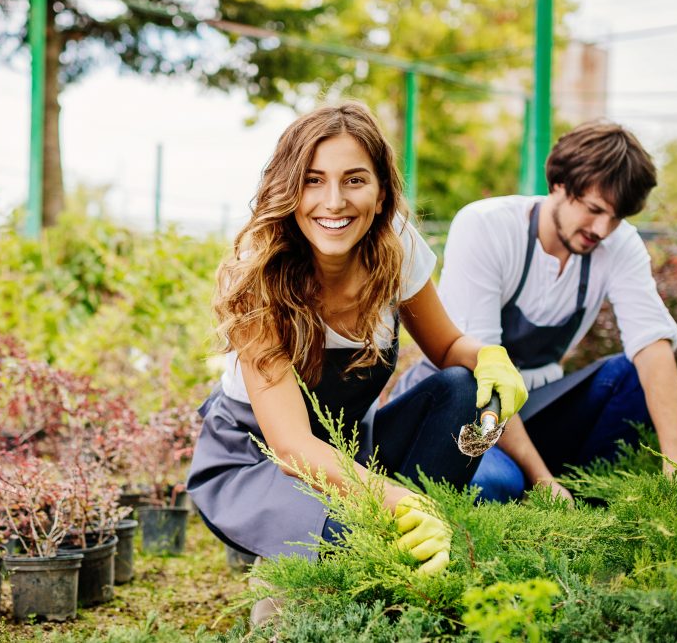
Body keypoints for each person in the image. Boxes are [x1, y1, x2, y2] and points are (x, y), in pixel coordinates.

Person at [186, 101, 528, 579]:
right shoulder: (258, 276)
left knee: (461, 388)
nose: (333, 201)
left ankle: (416, 540)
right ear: (288, 188)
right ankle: (296, 567)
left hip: (350, 455)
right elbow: (291, 447)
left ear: (382, 191)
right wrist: (397, 499)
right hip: (259, 462)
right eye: (312, 179)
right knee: (361, 541)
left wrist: (490, 357)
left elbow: (448, 349)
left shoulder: (396, 247)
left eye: (354, 179)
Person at [391, 121, 677, 504]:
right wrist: (542, 479)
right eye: (594, 209)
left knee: (631, 374)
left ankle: (590, 499)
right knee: (495, 485)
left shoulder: (619, 243)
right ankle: (538, 486)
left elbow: (652, 345)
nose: (602, 229)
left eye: (615, 218)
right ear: (559, 186)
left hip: (539, 405)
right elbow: (480, 373)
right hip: (468, 404)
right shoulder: (486, 226)